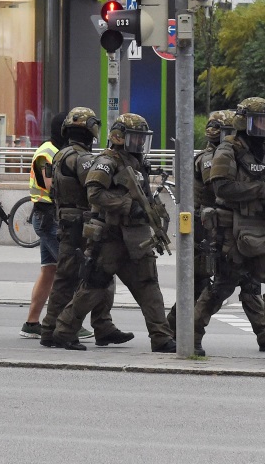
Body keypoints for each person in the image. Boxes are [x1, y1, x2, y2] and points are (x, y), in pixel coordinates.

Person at [51, 113, 176, 353]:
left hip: (137, 238)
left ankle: (161, 338)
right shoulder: (107, 162)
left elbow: (144, 196)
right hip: (110, 237)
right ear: (119, 137)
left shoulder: (138, 163)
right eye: (135, 138)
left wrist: (150, 213)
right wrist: (129, 206)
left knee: (149, 287)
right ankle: (64, 332)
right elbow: (94, 194)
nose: (140, 144)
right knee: (93, 287)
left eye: (142, 139)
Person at [194, 98, 265, 360]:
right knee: (222, 287)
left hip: (262, 228)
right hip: (232, 228)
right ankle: (191, 335)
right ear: (245, 123)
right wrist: (260, 190)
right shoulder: (227, 150)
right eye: (260, 121)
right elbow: (221, 188)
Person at [166, 110, 265, 352]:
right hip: (209, 229)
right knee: (205, 284)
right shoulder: (210, 159)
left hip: (230, 226)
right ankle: (173, 330)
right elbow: (221, 189)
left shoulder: (230, 155)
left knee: (248, 281)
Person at [42, 107, 130, 348]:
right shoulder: (81, 158)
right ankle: (58, 329)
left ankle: (97, 326)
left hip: (70, 220)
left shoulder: (61, 154)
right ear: (91, 130)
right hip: (81, 222)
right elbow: (96, 186)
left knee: (80, 277)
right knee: (86, 276)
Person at [19, 114, 67, 339]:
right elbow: (49, 186)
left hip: (48, 217)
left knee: (49, 271)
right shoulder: (45, 153)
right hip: (49, 218)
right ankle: (66, 321)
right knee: (70, 271)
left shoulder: (57, 150)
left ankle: (31, 323)